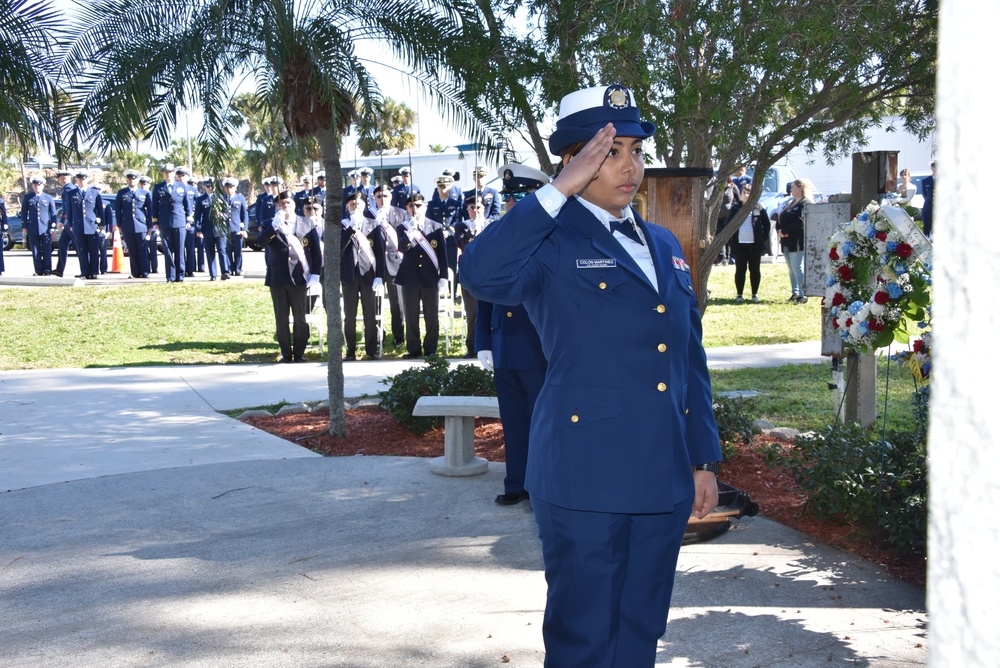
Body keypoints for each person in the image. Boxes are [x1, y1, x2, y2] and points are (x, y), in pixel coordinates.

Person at [459, 84, 722, 667]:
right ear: (575, 161)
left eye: (635, 150)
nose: (631, 166)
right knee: (584, 635)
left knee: (640, 627)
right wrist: (555, 193)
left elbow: (688, 357)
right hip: (585, 475)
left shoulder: (661, 242)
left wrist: (703, 460)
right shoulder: (549, 237)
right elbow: (481, 274)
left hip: (662, 471)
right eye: (611, 152)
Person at [472, 163, 550, 507]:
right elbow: (484, 291)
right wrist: (484, 342)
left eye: (519, 196)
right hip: (503, 346)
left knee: (539, 421)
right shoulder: (499, 236)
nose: (511, 204)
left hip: (537, 345)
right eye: (508, 198)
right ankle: (516, 482)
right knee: (513, 420)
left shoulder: (547, 237)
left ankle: (540, 486)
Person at [263, 189, 322, 362]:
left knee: (300, 317)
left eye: (288, 202)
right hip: (278, 277)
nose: (285, 205)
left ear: (294, 204)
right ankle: (286, 353)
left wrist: (315, 274)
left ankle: (299, 352)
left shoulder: (307, 223)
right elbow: (261, 242)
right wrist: (274, 226)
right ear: (276, 206)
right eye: (281, 203)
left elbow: (316, 252)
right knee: (281, 318)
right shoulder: (271, 223)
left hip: (299, 276)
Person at [395, 192, 448, 359]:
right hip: (409, 278)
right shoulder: (402, 227)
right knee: (411, 315)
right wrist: (410, 233)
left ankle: (431, 349)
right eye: (411, 206)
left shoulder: (436, 226)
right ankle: (413, 349)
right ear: (406, 208)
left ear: (424, 206)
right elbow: (402, 249)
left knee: (431, 315)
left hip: (430, 277)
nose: (415, 209)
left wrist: (444, 277)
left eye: (418, 205)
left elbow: (443, 255)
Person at [341, 192, 384, 360]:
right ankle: (350, 351)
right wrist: (351, 228)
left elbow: (379, 253)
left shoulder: (373, 225)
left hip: (368, 275)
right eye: (352, 204)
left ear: (365, 206)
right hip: (349, 276)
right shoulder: (343, 225)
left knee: (370, 314)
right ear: (347, 207)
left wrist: (380, 276)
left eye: (358, 204)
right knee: (349, 316)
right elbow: (339, 247)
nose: (355, 207)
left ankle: (371, 351)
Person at [373, 184, 406, 348]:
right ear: (374, 198)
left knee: (397, 304)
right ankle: (378, 335)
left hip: (395, 264)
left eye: (385, 195)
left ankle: (399, 337)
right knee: (374, 305)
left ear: (391, 196)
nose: (382, 199)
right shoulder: (368, 215)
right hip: (375, 266)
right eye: (379, 196)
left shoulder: (401, 214)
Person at [454, 195, 487, 357]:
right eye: (471, 208)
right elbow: (462, 245)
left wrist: (481, 230)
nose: (475, 211)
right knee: (472, 313)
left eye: (478, 207)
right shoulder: (461, 227)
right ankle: (472, 346)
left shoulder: (491, 225)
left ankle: (490, 345)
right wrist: (473, 232)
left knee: (490, 312)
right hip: (470, 275)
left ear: (484, 209)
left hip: (489, 275)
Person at [775, 177, 815, 304]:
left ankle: (804, 294)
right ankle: (795, 292)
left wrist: (785, 231)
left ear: (801, 188)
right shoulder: (791, 202)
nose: (791, 189)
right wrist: (779, 230)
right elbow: (781, 216)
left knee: (797, 266)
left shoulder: (805, 202)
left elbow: (800, 221)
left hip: (796, 239)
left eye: (793, 187)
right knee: (791, 267)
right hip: (786, 240)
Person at [729, 183, 770, 303]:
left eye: (749, 193)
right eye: (744, 193)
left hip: (754, 245)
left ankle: (754, 294)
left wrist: (763, 239)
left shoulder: (758, 208)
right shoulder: (736, 208)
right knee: (740, 270)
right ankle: (739, 294)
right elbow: (728, 224)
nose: (746, 195)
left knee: (755, 270)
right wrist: (731, 241)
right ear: (741, 194)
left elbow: (766, 224)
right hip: (739, 245)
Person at [157, 166, 193, 282]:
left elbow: (188, 205)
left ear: (174, 174)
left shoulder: (182, 186)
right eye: (166, 172)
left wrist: (188, 220)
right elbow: (154, 206)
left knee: (180, 249)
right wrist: (155, 222)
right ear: (163, 173)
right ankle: (170, 276)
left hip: (179, 221)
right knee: (167, 251)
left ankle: (180, 275)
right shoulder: (158, 187)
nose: (168, 174)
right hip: (165, 222)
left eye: (170, 172)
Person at [115, 169, 152, 278]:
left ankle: (145, 272)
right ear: (127, 179)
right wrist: (119, 225)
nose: (131, 180)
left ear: (137, 180)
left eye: (134, 178)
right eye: (130, 178)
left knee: (143, 249)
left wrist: (150, 226)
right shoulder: (122, 193)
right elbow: (118, 210)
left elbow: (150, 211)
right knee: (132, 250)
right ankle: (135, 272)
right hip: (127, 225)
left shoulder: (144, 193)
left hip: (141, 225)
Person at [194, 179, 230, 280]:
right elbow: (197, 216)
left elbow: (227, 214)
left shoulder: (221, 197)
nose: (210, 189)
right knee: (210, 253)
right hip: (207, 230)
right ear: (205, 187)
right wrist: (198, 229)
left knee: (222, 251)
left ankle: (225, 272)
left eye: (212, 187)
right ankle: (213, 274)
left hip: (220, 229)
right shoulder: (201, 199)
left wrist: (221, 215)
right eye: (208, 186)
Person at [23, 176, 58, 276]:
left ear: (42, 186)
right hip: (33, 227)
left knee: (47, 250)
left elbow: (53, 213)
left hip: (45, 228)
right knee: (35, 250)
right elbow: (24, 213)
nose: (37, 187)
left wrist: (53, 226)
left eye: (39, 185)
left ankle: (47, 269)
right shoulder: (28, 197)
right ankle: (38, 270)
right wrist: (24, 227)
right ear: (33, 186)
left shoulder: (48, 198)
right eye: (35, 185)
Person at [53, 169, 77, 277]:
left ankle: (87, 270)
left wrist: (63, 220)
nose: (58, 180)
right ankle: (59, 269)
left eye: (59, 177)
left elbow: (67, 207)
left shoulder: (68, 189)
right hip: (68, 223)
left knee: (79, 246)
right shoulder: (69, 189)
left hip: (70, 223)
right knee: (62, 244)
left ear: (64, 177)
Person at [223, 177, 249, 275]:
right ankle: (229, 269)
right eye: (227, 187)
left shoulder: (240, 198)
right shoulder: (222, 198)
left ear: (235, 188)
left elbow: (244, 214)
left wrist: (244, 229)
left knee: (238, 251)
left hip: (237, 229)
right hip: (225, 228)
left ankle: (238, 269)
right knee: (227, 250)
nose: (229, 189)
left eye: (231, 187)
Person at [715, 175, 740, 265]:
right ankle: (722, 258)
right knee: (719, 236)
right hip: (717, 216)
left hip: (728, 216)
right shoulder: (717, 187)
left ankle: (730, 258)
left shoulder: (733, 187)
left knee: (728, 237)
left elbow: (739, 200)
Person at [139, 175, 159, 274]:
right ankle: (146, 267)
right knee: (143, 249)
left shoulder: (152, 195)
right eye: (142, 184)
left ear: (149, 184)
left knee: (153, 248)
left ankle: (154, 268)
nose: (143, 186)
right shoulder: (137, 194)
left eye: (145, 184)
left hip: (152, 226)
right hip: (142, 225)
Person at [921, 161, 935, 237]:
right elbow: (925, 195)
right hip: (929, 209)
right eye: (934, 166)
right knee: (927, 230)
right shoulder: (925, 181)